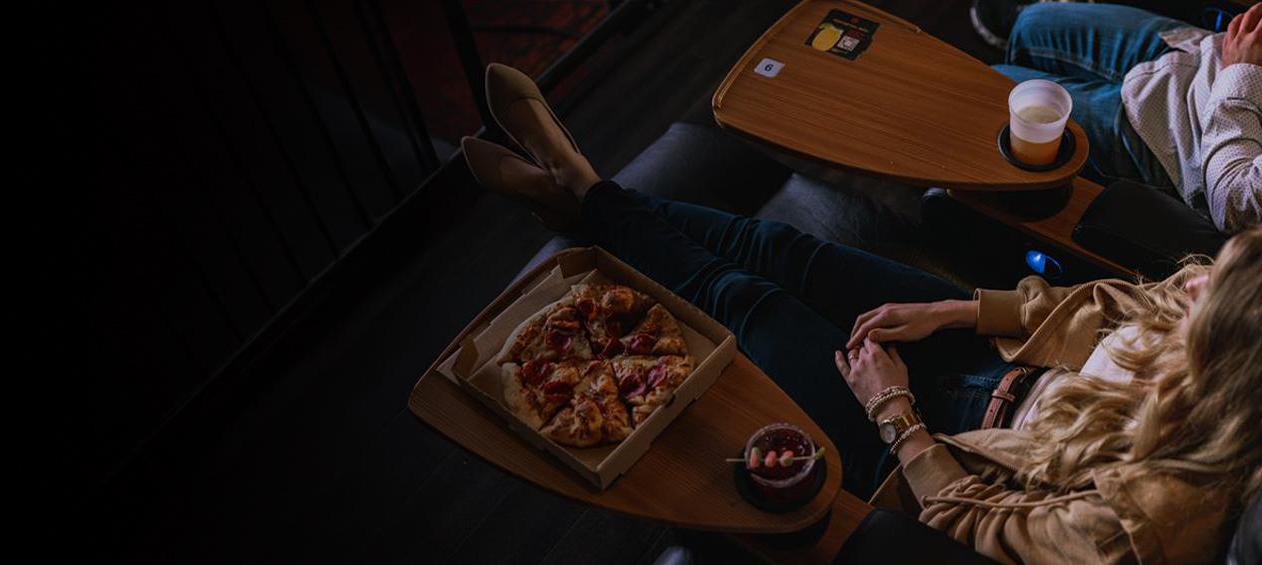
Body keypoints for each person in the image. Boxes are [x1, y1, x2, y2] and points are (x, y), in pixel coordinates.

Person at [464, 63, 1262, 563]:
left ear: (1228, 359)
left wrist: (894, 410)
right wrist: (956, 311)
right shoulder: (1219, 319)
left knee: (748, 299)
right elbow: (1103, 303)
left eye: (1204, 294)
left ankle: (577, 190)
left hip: (942, 451)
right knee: (783, 249)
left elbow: (981, 531)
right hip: (1009, 364)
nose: (1185, 286)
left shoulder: (1147, 522)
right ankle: (584, 194)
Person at [976, 1, 1262, 233]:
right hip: (1201, 54)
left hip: (1181, 136)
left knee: (993, 89)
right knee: (1032, 24)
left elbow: (1235, 203)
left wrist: (1239, 70)